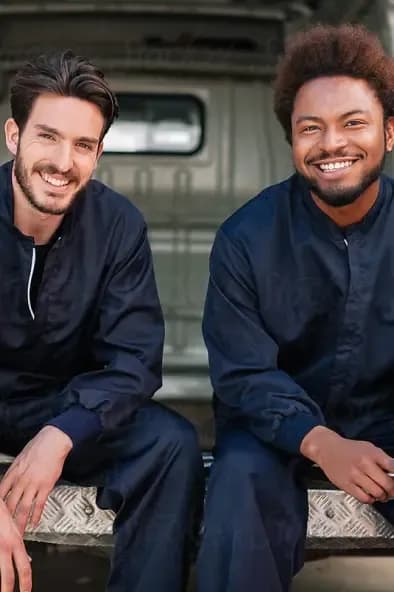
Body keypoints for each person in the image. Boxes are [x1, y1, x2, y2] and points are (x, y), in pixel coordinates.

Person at [196, 23, 394, 592]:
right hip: (269, 430)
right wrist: (322, 442)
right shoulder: (245, 238)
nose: (332, 144)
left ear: (389, 133)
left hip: (384, 420)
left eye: (354, 123)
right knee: (236, 482)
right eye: (312, 128)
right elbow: (244, 374)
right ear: (292, 141)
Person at [0, 50, 204, 592]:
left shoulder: (119, 225)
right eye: (48, 137)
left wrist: (62, 432)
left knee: (172, 444)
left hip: (69, 407)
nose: (64, 162)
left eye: (83, 145)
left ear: (98, 155)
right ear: (13, 136)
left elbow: (134, 359)